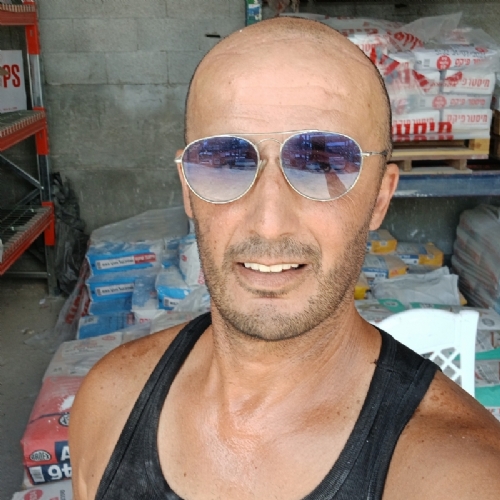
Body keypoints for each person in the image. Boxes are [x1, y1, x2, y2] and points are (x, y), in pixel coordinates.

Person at [70, 17, 500, 500]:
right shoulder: (109, 403)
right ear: (188, 189)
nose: (269, 223)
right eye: (226, 161)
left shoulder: (461, 477)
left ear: (380, 196)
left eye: (322, 163)